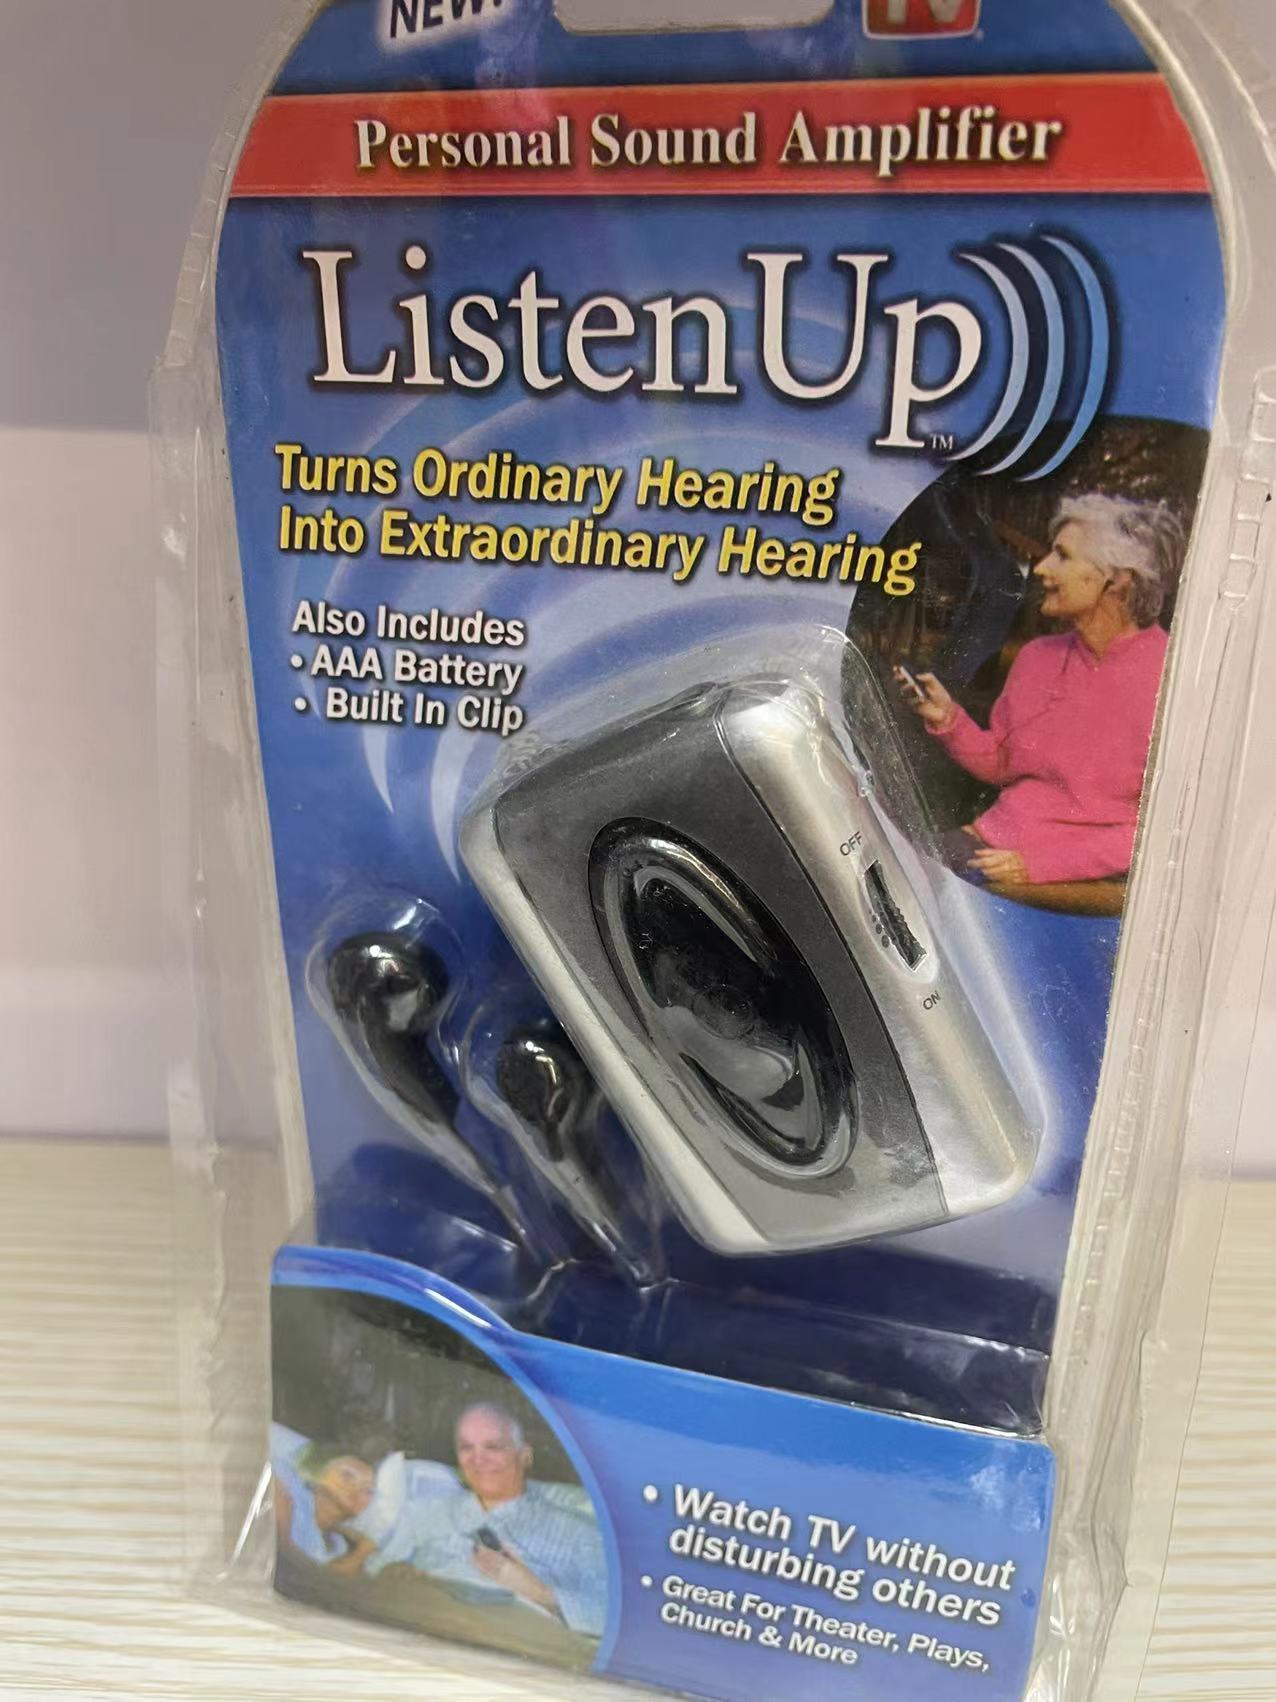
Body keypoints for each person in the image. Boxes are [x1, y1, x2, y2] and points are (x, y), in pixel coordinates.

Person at [898, 493, 1185, 888]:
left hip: (1073, 879)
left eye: (1062, 556)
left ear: (1118, 579)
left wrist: (1038, 865)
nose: (1041, 568)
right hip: (988, 845)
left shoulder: (1172, 677)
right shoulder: (1037, 657)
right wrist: (949, 720)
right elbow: (1001, 763)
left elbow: (1162, 830)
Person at [371, 1402, 607, 1638]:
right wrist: (392, 1574)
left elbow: (612, 1617)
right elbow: (370, 1573)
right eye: (466, 1448)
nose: (478, 1459)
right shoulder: (424, 1513)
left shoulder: (578, 1534)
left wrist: (539, 1593)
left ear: (525, 1456)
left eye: (493, 1447)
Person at [273, 1440, 379, 1576]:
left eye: (368, 1489)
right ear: (318, 1473)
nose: (357, 1489)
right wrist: (361, 1552)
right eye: (347, 1476)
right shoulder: (290, 1490)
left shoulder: (338, 1546)